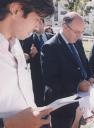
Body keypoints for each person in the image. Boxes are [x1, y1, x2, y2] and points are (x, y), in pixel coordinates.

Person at [0, 0, 54, 128]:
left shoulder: (16, 44)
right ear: (16, 10)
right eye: (37, 19)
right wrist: (8, 123)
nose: (37, 27)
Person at [41, 12, 94, 128]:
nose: (79, 36)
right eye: (77, 32)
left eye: (81, 32)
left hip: (81, 102)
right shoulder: (50, 47)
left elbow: (84, 64)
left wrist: (89, 77)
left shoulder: (78, 42)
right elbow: (51, 82)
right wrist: (78, 86)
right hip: (62, 106)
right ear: (65, 27)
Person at [20, 19, 54, 106]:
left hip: (53, 76)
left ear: (43, 23)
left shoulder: (52, 37)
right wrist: (31, 55)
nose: (35, 25)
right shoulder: (28, 40)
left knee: (52, 100)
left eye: (37, 22)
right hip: (37, 78)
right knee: (39, 101)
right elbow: (24, 58)